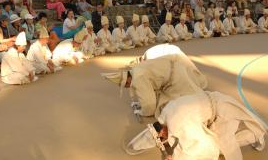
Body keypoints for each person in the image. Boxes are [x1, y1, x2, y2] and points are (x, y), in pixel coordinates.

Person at [126, 91, 267, 160]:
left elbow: (203, 144)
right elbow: (172, 134)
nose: (163, 140)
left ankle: (255, 136)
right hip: (212, 105)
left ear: (162, 130)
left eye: (162, 137)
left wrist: (175, 158)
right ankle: (255, 134)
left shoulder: (178, 123)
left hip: (221, 111)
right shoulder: (166, 113)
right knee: (221, 141)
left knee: (224, 145)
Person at [102, 46, 207, 117]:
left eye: (127, 85)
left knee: (173, 105)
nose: (129, 86)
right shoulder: (136, 69)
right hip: (175, 67)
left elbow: (149, 105)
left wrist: (142, 111)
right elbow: (149, 87)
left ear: (127, 79)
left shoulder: (138, 77)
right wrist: (140, 103)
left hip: (176, 78)